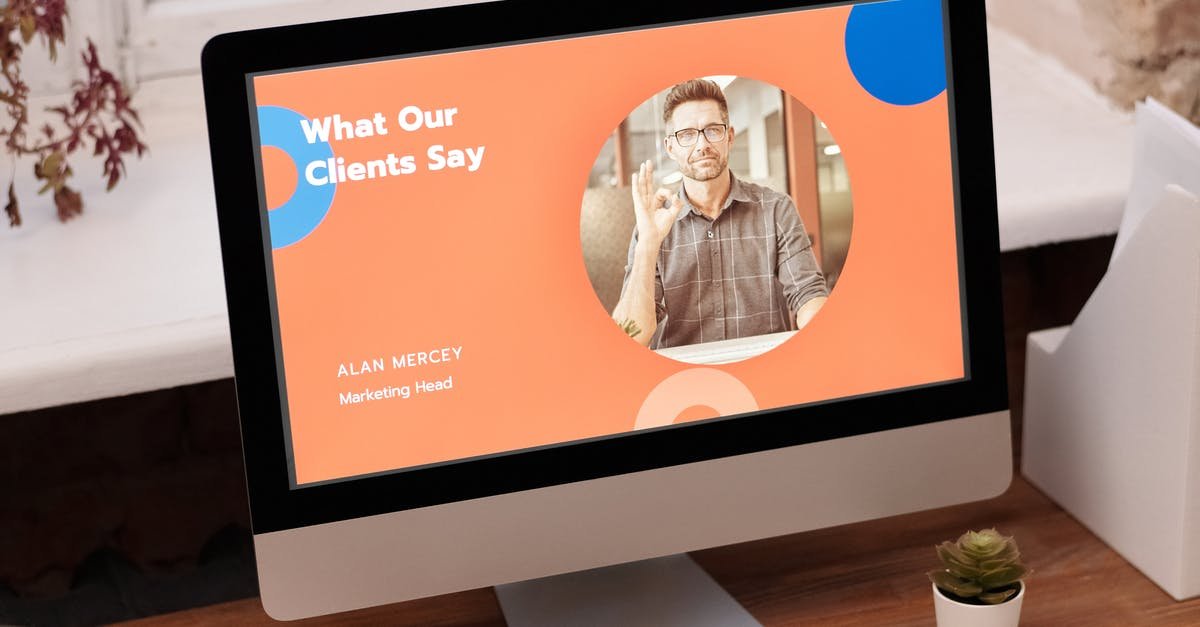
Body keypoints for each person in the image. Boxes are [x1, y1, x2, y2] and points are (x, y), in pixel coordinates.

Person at [612, 79, 828, 349]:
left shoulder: (775, 209)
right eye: (687, 134)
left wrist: (822, 338)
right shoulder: (652, 229)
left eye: (712, 130)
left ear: (729, 137)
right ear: (671, 148)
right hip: (683, 382)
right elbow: (630, 336)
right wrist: (647, 245)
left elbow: (808, 294)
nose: (702, 144)